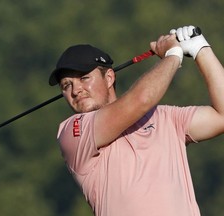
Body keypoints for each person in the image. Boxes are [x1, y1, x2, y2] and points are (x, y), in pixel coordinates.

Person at [48, 25, 224, 216]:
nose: (75, 90)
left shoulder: (166, 118)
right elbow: (140, 100)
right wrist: (173, 54)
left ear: (108, 78)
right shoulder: (73, 132)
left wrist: (201, 49)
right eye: (66, 85)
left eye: (84, 78)